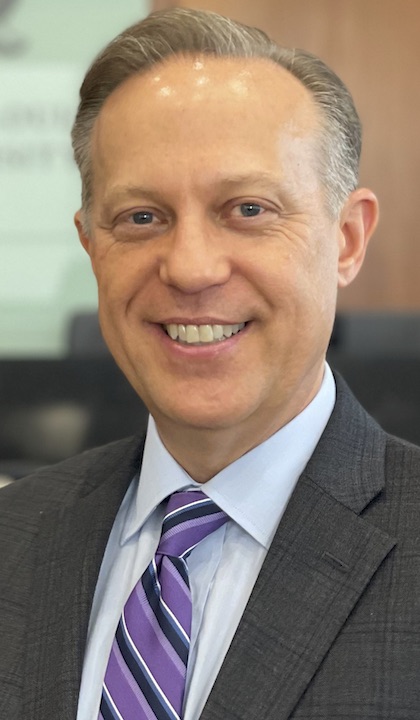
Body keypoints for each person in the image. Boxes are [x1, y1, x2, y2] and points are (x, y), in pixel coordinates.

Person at [1, 7, 420, 720]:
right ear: (91, 244)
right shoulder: (14, 532)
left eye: (247, 209)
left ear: (347, 240)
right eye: (141, 217)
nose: (191, 267)